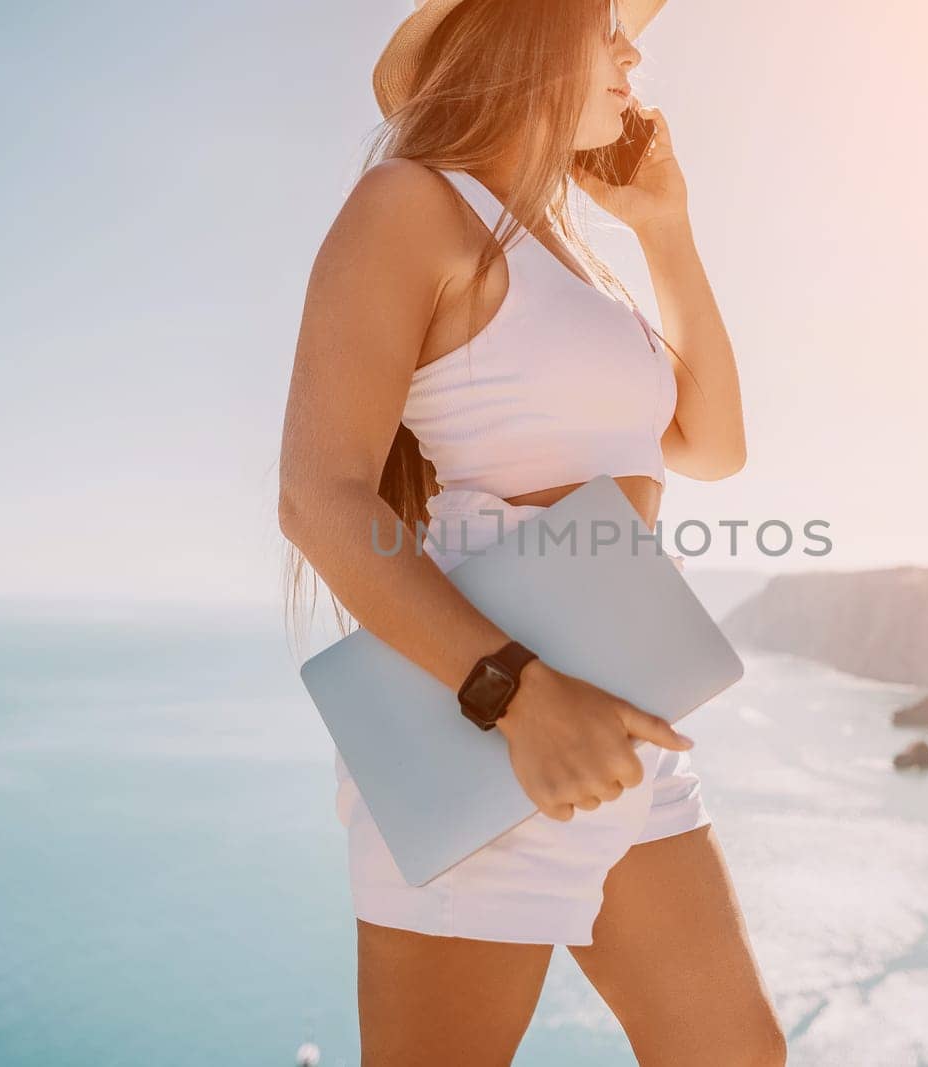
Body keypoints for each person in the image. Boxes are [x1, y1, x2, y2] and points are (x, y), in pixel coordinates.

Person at [277, 1, 782, 1063]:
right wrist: (516, 694)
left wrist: (662, 226)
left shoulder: (568, 253)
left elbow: (712, 443)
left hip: (619, 708)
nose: (635, 55)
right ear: (529, 36)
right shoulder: (410, 206)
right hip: (492, 712)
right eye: (610, 29)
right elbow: (319, 498)